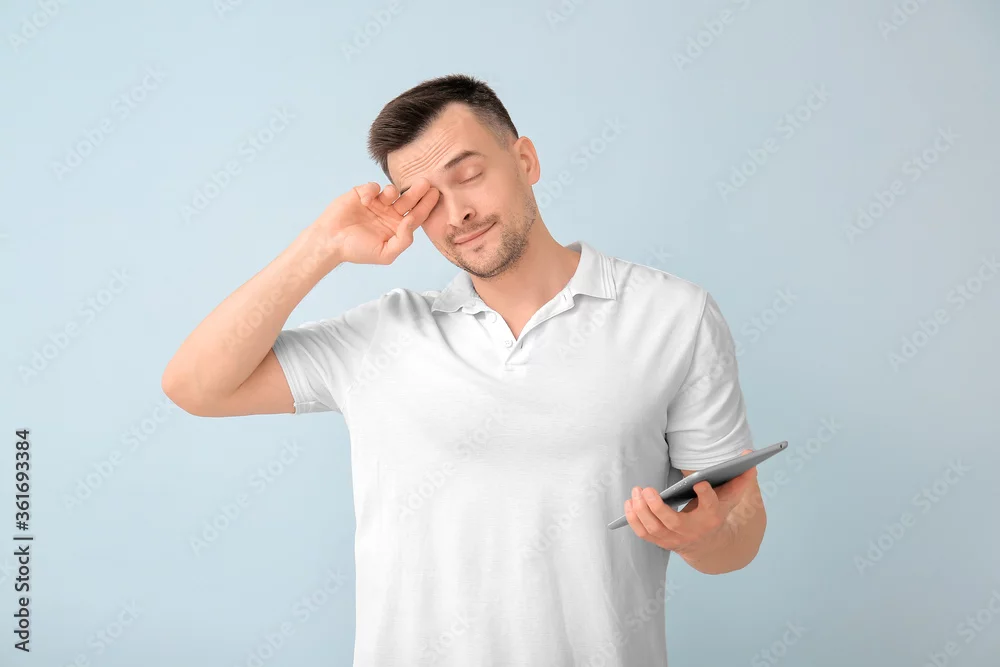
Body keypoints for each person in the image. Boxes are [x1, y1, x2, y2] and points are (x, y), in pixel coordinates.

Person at [162, 73, 767, 667]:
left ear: (525, 160)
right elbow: (194, 386)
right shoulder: (381, 337)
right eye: (424, 200)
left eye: (469, 175)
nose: (458, 214)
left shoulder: (673, 315)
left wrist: (705, 537)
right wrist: (321, 246)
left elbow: (739, 532)